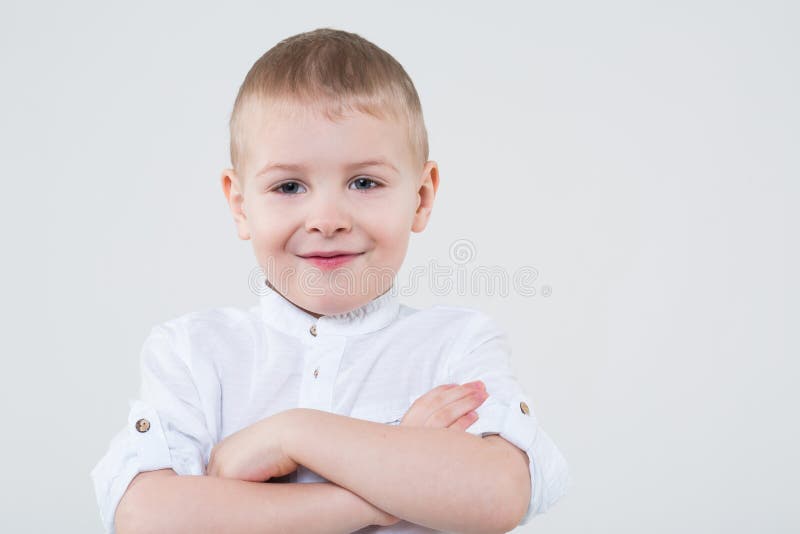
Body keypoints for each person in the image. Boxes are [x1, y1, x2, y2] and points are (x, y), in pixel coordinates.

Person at [90, 27, 570, 534]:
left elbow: (497, 495)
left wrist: (292, 435)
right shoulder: (194, 353)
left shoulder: (456, 347)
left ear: (422, 197)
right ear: (240, 204)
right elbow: (146, 518)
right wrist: (378, 497)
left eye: (364, 182)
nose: (327, 218)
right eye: (289, 185)